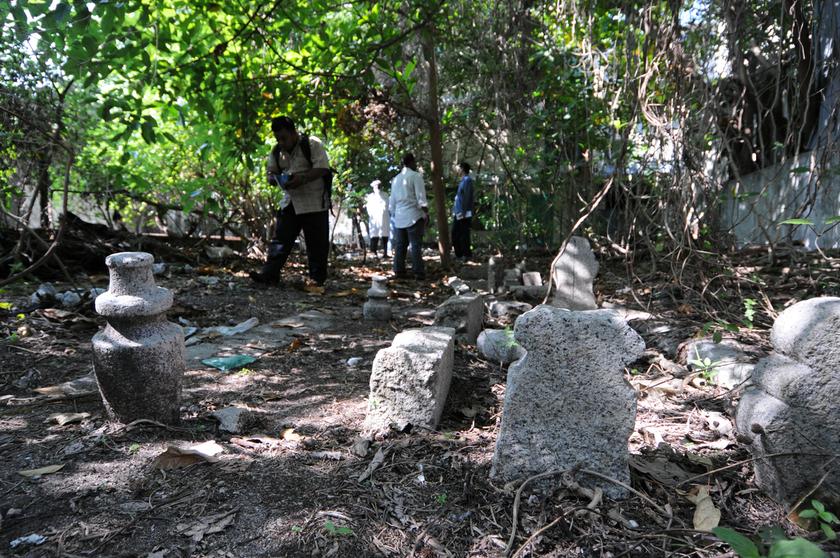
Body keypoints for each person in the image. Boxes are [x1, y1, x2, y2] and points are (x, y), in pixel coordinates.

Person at [250, 116, 331, 287]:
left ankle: (317, 280)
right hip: (291, 202)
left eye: (284, 138)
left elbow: (323, 168)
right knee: (280, 240)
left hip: (314, 201)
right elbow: (270, 173)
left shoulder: (312, 144)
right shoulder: (276, 152)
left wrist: (302, 179)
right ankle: (269, 275)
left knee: (317, 244)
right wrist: (274, 179)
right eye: (278, 139)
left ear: (294, 132)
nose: (282, 142)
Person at [389, 153, 428, 280]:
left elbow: (392, 202)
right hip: (414, 215)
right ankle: (418, 272)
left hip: (399, 217)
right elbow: (421, 198)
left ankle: (399, 271)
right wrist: (426, 213)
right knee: (415, 245)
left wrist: (393, 215)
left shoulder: (395, 179)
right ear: (411, 162)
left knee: (400, 245)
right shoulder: (416, 176)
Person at [452, 161, 475, 261]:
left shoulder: (467, 180)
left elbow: (467, 197)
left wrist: (464, 212)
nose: (457, 170)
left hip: (463, 213)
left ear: (462, 169)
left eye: (458, 168)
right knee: (457, 233)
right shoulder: (463, 181)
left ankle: (465, 254)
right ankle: (460, 254)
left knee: (462, 234)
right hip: (459, 212)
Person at [365, 180, 390, 258]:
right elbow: (368, 208)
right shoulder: (370, 196)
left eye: (379, 185)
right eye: (376, 186)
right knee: (374, 235)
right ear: (373, 187)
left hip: (384, 218)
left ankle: (385, 253)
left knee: (385, 235)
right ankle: (374, 252)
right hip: (374, 219)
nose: (377, 187)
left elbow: (388, 206)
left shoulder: (385, 195)